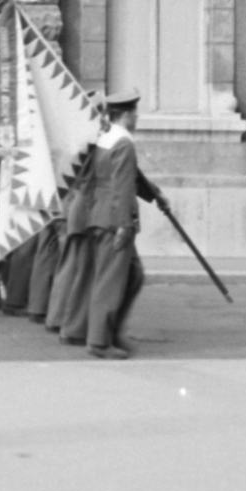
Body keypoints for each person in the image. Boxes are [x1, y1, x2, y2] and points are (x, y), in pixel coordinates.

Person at [79, 88, 164, 358]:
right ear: (125, 115)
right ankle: (99, 341)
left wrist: (155, 195)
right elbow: (124, 187)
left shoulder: (107, 138)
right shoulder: (124, 143)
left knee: (133, 276)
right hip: (113, 220)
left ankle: (111, 331)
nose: (137, 118)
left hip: (101, 214)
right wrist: (124, 226)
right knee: (110, 281)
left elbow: (132, 178)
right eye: (134, 113)